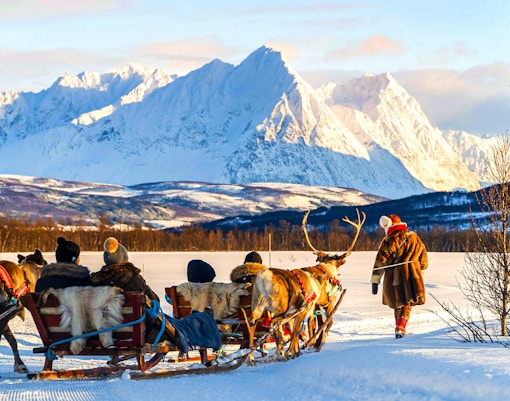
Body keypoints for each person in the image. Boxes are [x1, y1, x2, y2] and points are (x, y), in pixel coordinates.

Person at [370, 214, 428, 339]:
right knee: (407, 302)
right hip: (413, 275)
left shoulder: (388, 240)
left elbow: (381, 261)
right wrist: (420, 270)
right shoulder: (414, 237)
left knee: (398, 302)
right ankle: (401, 327)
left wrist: (375, 280)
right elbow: (423, 256)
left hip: (394, 276)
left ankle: (399, 327)